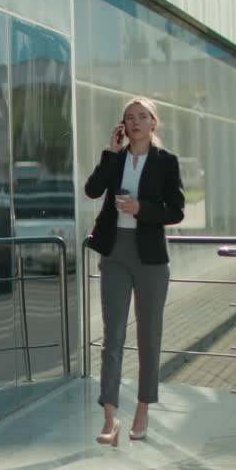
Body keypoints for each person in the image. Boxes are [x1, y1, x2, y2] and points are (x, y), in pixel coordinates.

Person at [83, 96, 185, 446]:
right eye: (129, 117)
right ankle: (110, 418)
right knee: (113, 336)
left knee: (149, 336)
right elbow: (92, 190)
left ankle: (143, 408)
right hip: (115, 252)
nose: (136, 122)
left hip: (151, 258)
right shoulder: (117, 159)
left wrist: (141, 208)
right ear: (122, 126)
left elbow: (176, 211)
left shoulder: (166, 162)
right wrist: (108, 155)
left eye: (142, 116)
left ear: (154, 123)